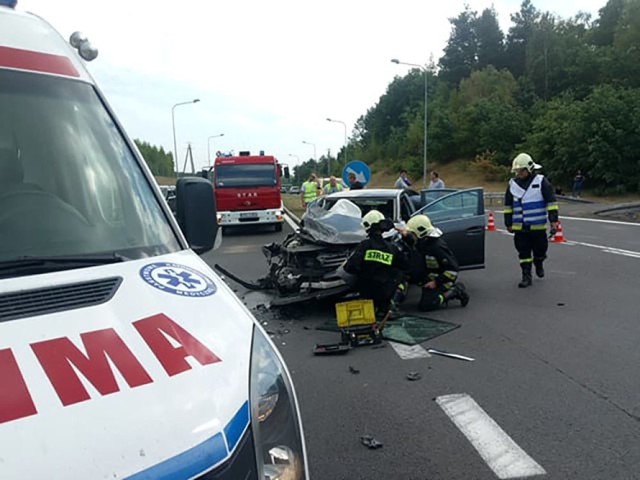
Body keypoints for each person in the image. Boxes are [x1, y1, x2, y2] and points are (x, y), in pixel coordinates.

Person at [503, 153, 559, 288]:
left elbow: (551, 202)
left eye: (521, 170)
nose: (519, 173)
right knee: (523, 252)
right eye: (517, 171)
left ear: (529, 169)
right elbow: (508, 205)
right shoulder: (512, 185)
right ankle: (526, 276)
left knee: (540, 250)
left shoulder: (541, 181)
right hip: (520, 227)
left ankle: (539, 262)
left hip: (537, 226)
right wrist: (508, 223)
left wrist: (553, 220)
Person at [343, 210, 408, 314]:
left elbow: (350, 267)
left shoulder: (364, 246)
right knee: (401, 276)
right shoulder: (392, 248)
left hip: (366, 293)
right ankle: (393, 303)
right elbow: (405, 266)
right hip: (385, 293)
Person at [403, 215, 469, 311]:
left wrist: (435, 282)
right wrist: (403, 234)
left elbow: (452, 270)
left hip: (441, 280)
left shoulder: (437, 247)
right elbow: (413, 242)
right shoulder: (424, 242)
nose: (411, 236)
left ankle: (455, 291)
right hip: (429, 276)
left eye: (412, 233)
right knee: (407, 273)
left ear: (420, 233)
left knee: (426, 305)